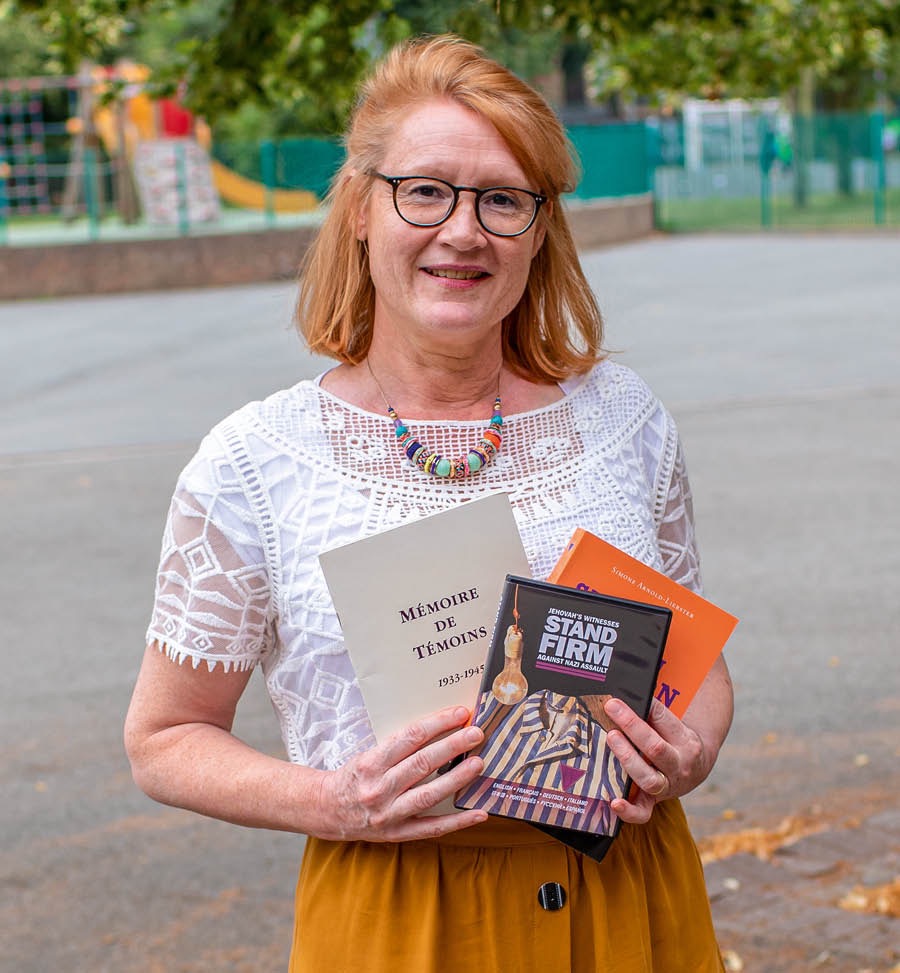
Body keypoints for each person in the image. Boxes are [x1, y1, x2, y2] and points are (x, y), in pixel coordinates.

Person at [124, 34, 733, 972]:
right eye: (426, 190)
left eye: (502, 199)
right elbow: (164, 739)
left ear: (539, 229)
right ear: (362, 210)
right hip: (400, 914)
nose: (463, 230)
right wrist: (332, 800)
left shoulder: (622, 420)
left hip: (630, 896)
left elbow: (698, 668)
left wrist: (686, 753)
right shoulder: (254, 462)